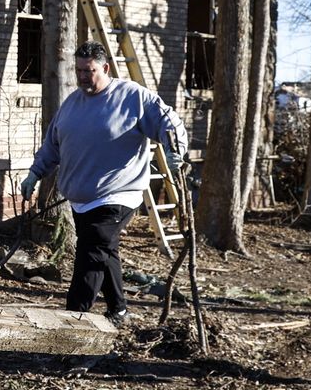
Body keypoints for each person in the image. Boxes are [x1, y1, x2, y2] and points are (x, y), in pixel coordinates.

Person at [20, 41, 187, 326]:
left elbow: (167, 121)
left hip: (118, 194)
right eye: (79, 70)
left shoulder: (131, 96)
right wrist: (35, 173)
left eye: (90, 70)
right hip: (81, 199)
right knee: (103, 251)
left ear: (105, 68)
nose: (83, 76)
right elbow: (53, 144)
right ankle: (119, 310)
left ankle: (74, 320)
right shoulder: (72, 103)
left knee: (90, 254)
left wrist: (176, 149)